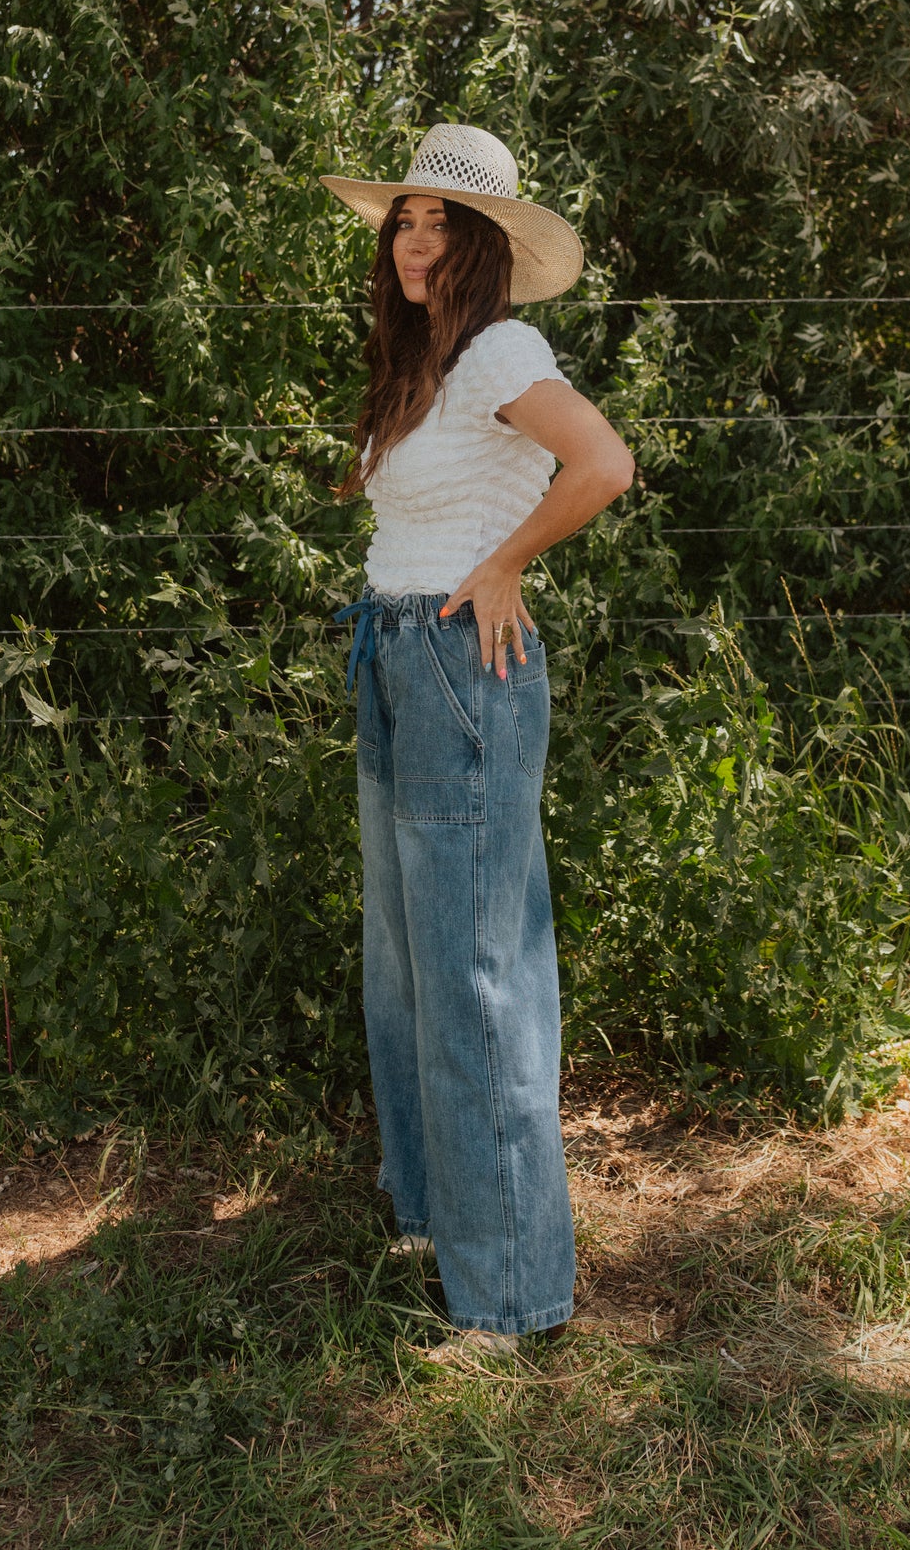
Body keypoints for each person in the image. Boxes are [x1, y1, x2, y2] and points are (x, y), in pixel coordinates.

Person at [322, 123, 635, 1366]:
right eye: (404, 219)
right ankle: (432, 1213)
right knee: (404, 962)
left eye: (439, 223)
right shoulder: (427, 364)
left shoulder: (503, 346)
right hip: (396, 655)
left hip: (461, 666)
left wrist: (504, 563)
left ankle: (508, 1295)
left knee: (473, 974)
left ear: (487, 244)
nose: (414, 240)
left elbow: (602, 461)